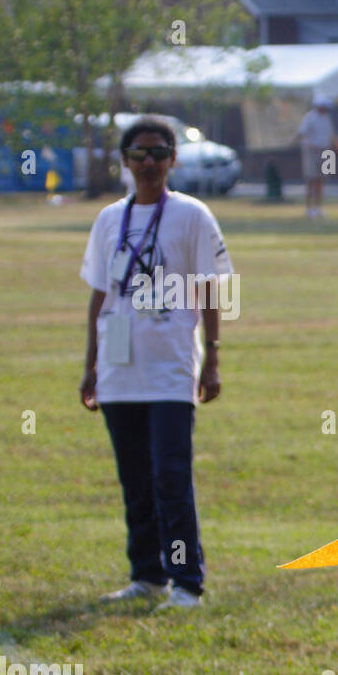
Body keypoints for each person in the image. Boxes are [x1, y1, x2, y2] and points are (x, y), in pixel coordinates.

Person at [78, 116, 233, 609]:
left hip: (169, 369)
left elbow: (210, 289)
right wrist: (91, 366)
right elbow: (100, 295)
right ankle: (146, 574)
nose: (148, 162)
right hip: (120, 370)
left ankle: (186, 580)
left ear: (173, 159)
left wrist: (212, 359)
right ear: (124, 161)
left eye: (158, 152)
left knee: (170, 475)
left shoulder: (191, 215)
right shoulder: (108, 220)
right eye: (139, 154)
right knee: (135, 479)